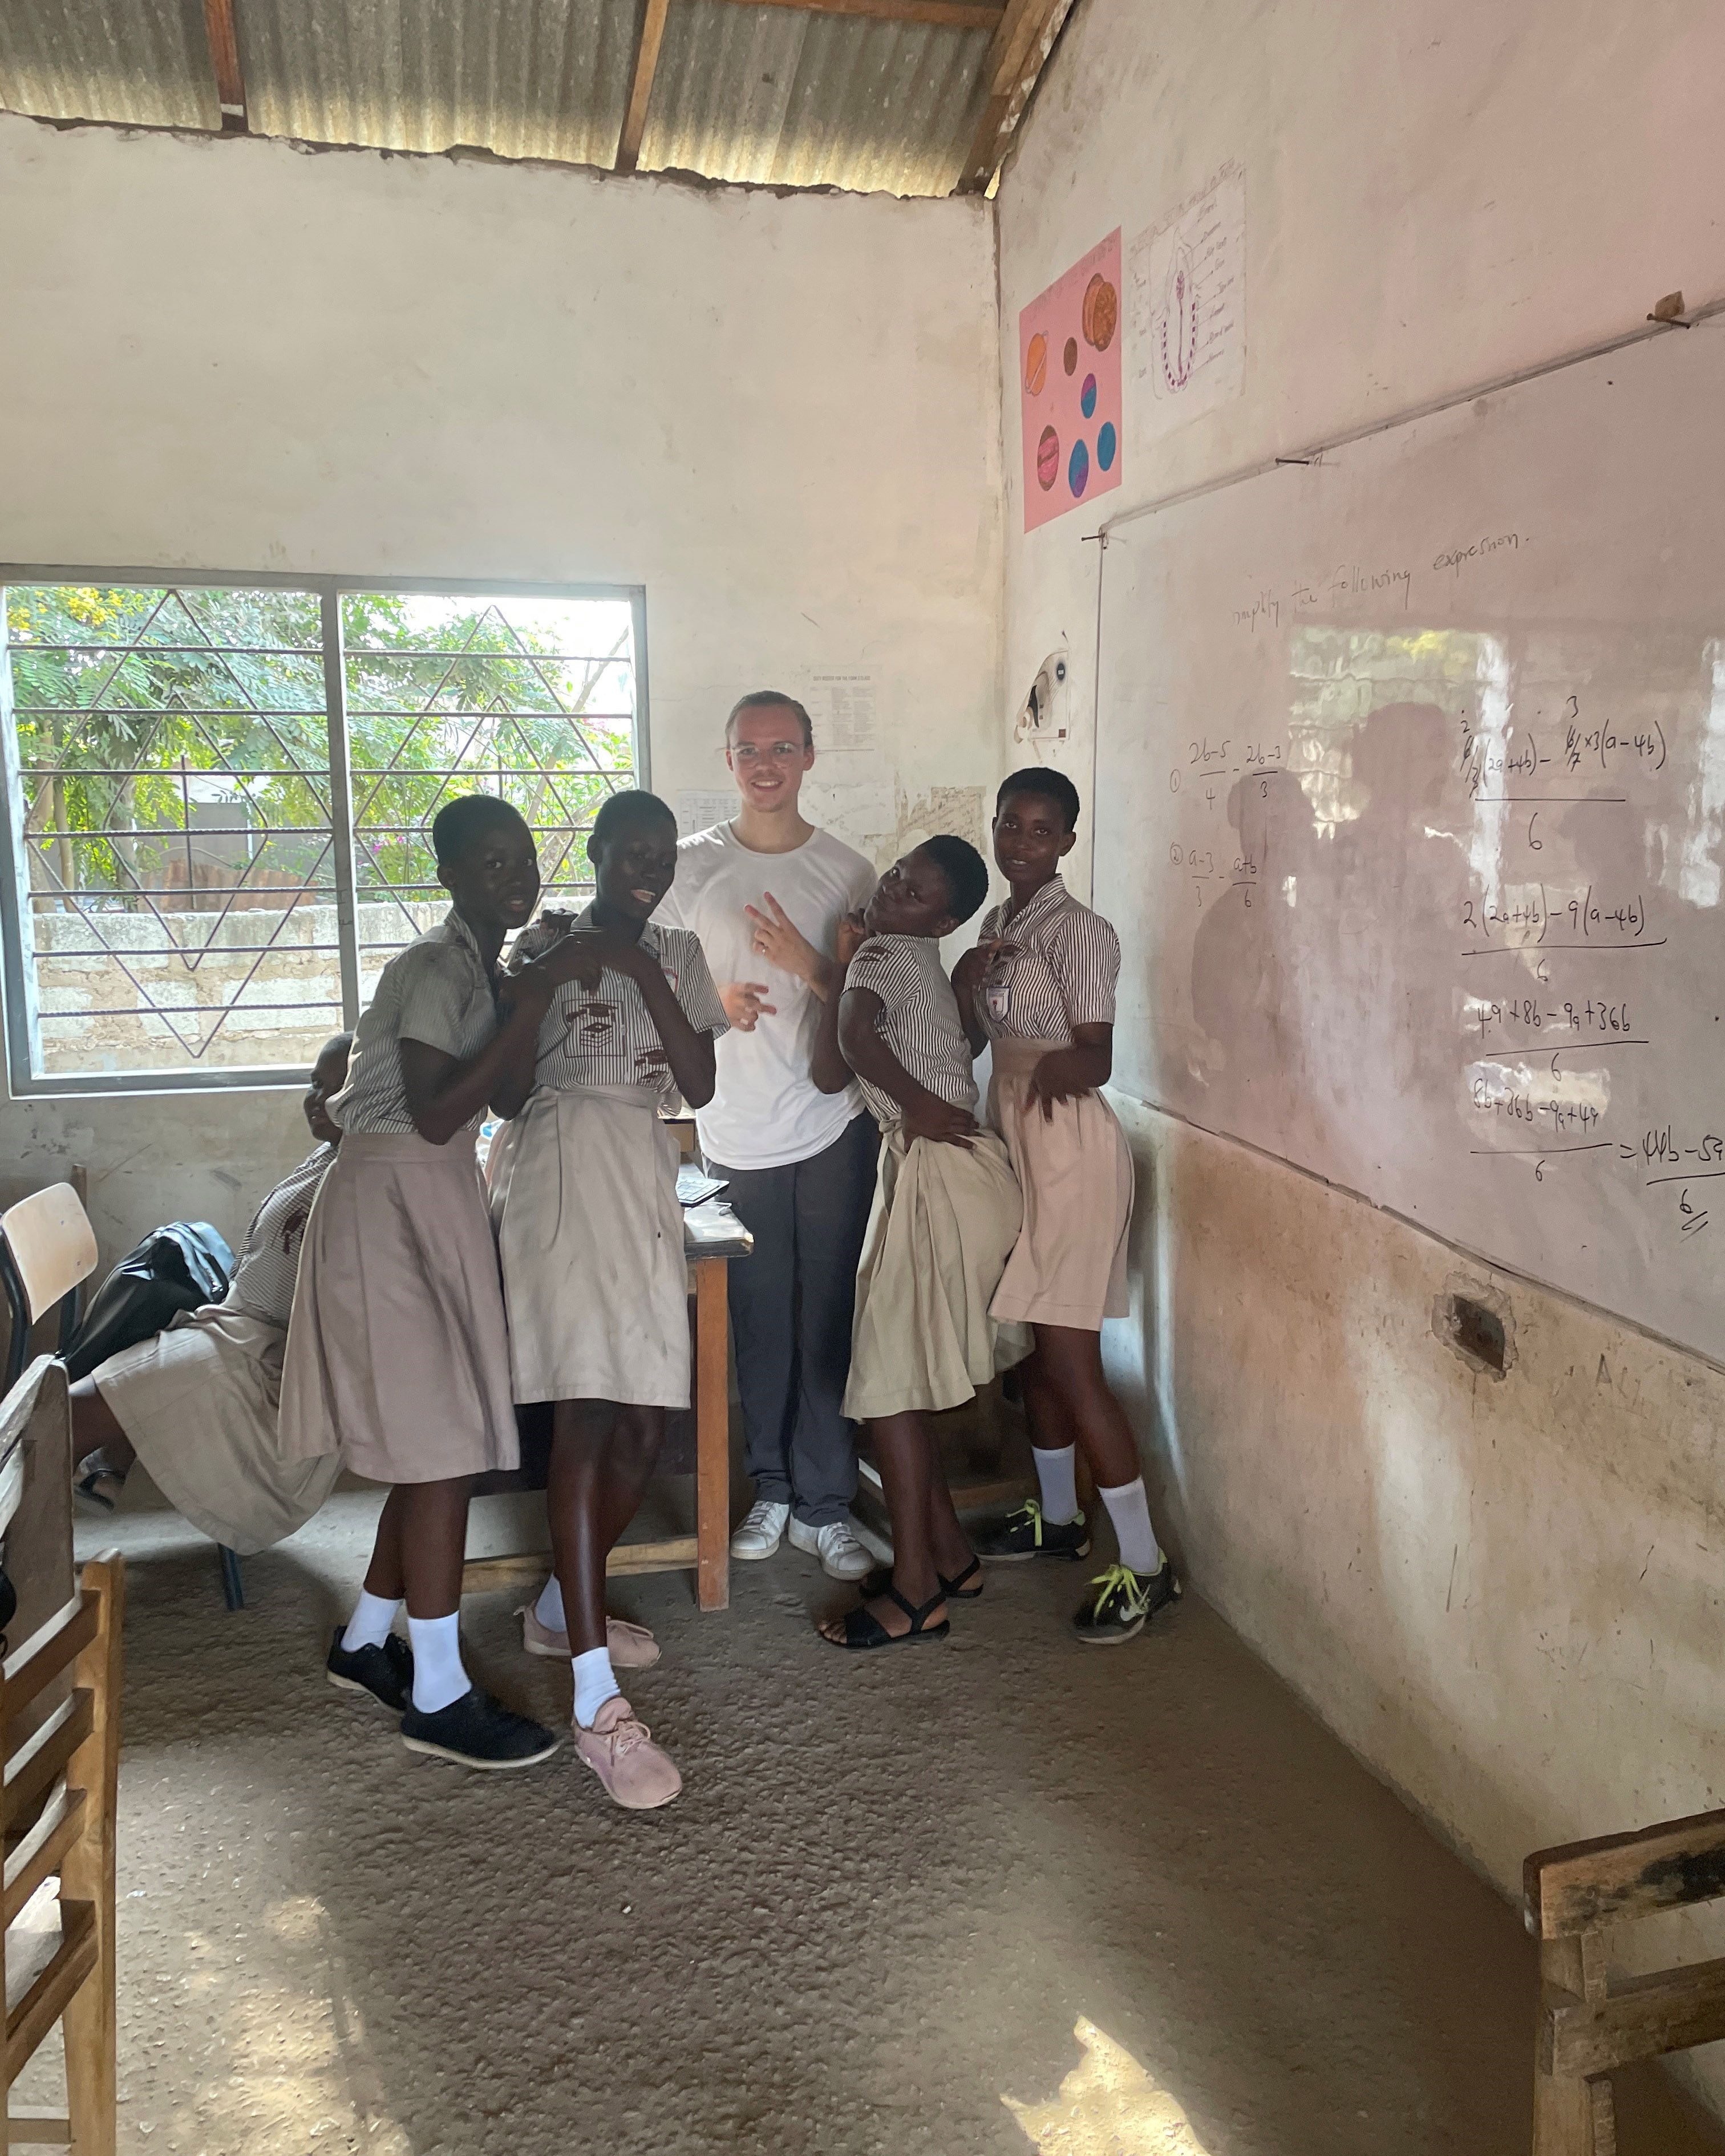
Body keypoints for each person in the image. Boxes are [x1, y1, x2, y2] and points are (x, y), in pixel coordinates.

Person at [281, 793, 584, 1771]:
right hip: (391, 1199)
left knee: (433, 1443)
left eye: (523, 860)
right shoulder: (428, 964)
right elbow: (437, 1108)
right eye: (489, 863)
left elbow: (508, 1094)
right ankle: (440, 1693)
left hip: (431, 1195)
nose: (513, 877)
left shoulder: (482, 970)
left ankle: (369, 1639)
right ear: (447, 874)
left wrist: (528, 995)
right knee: (443, 1450)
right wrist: (529, 1001)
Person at [488, 789, 727, 1810]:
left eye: (661, 852)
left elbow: (700, 1083)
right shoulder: (533, 947)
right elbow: (500, 1093)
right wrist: (553, 982)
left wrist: (635, 968)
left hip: (637, 1166)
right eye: (629, 850)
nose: (648, 865)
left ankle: (554, 1608)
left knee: (642, 1414)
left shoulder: (676, 950)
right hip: (552, 1172)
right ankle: (594, 1703)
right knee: (588, 1410)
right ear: (591, 853)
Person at [654, 691, 878, 1582]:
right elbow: (657, 982)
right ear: (728, 760)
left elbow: (874, 1002)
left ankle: (827, 1507)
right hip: (733, 1127)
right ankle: (774, 1489)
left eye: (783, 747)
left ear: (811, 758)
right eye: (749, 748)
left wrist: (809, 966)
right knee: (758, 1320)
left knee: (827, 1315)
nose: (765, 763)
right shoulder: (687, 870)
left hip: (830, 1123)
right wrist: (715, 1004)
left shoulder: (850, 872)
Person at [955, 768, 1180, 1646]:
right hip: (1014, 1131)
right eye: (1010, 825)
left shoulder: (1083, 932)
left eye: (1041, 831)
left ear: (1068, 843)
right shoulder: (997, 925)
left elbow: (1097, 1057)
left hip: (1068, 1147)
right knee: (1039, 1355)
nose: (1020, 842)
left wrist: (1051, 1069)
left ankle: (1148, 1567)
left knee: (1071, 1357)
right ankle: (1058, 1520)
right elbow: (976, 1039)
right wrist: (971, 980)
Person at [808, 836, 1030, 1649]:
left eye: (914, 889)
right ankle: (950, 1558)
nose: (894, 887)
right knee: (900, 1379)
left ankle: (914, 1595)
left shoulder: (878, 955)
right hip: (966, 1172)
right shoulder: (918, 959)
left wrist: (913, 1105)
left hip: (938, 1164)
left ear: (948, 917)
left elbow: (856, 1045)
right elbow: (938, 1052)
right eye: (896, 873)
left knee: (890, 1388)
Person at [70, 1033, 354, 1550]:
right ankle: (75, 1496)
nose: (318, 1099)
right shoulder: (327, 1155)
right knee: (65, 1406)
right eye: (315, 1083)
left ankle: (33, 1551)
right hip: (237, 1327)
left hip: (265, 1361)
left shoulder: (363, 1175)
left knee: (66, 1416)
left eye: (339, 1088)